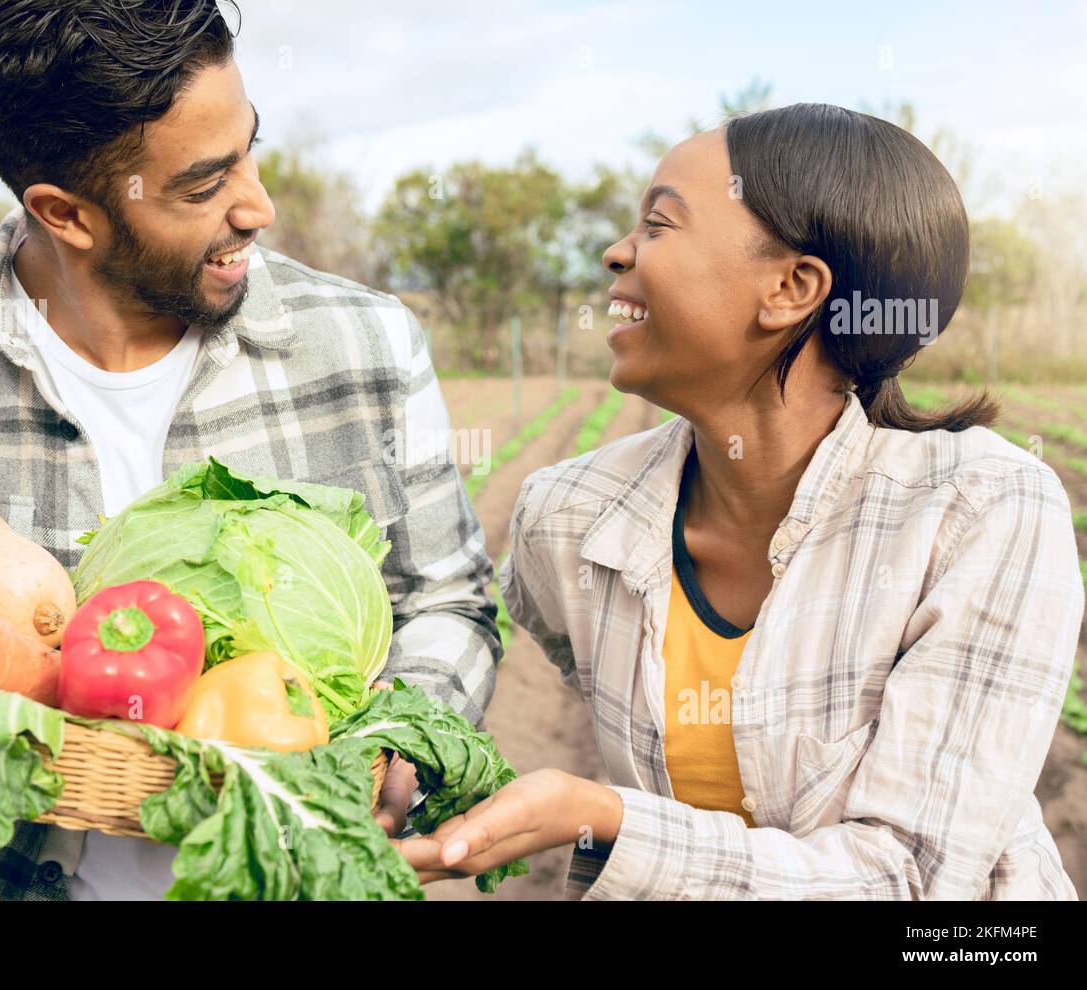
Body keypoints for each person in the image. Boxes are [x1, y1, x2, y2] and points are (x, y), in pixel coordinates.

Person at [0, 0, 501, 900]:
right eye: (206, 186)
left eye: (251, 145)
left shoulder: (365, 344)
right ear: (67, 213)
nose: (261, 205)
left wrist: (396, 742)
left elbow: (450, 599)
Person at [394, 104, 1082, 900]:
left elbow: (918, 883)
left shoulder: (982, 509)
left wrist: (609, 819)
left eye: (659, 224)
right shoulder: (567, 516)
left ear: (791, 287)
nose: (617, 252)